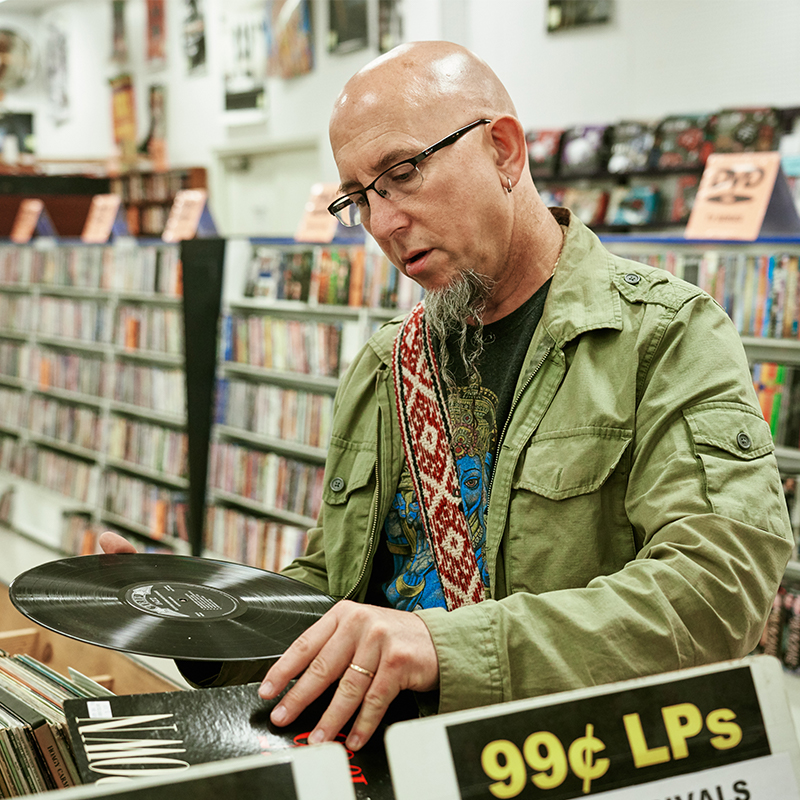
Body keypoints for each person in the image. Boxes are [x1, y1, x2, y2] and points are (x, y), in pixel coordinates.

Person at [101, 40, 793, 753]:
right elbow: (333, 585)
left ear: (503, 150)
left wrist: (444, 646)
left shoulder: (663, 335)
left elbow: (716, 594)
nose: (383, 223)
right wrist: (206, 620)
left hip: (569, 762)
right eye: (358, 198)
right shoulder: (384, 364)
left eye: (402, 174)